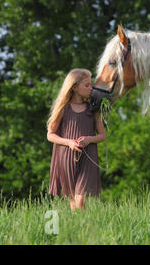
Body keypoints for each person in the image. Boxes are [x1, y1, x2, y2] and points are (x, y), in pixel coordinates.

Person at [47, 68, 105, 210]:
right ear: (74, 87)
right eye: (86, 85)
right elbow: (50, 134)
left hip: (88, 157)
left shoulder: (93, 109)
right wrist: (69, 142)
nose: (91, 88)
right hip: (66, 157)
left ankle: (82, 226)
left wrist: (89, 139)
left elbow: (102, 135)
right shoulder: (63, 109)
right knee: (73, 203)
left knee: (80, 201)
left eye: (90, 84)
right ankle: (80, 229)